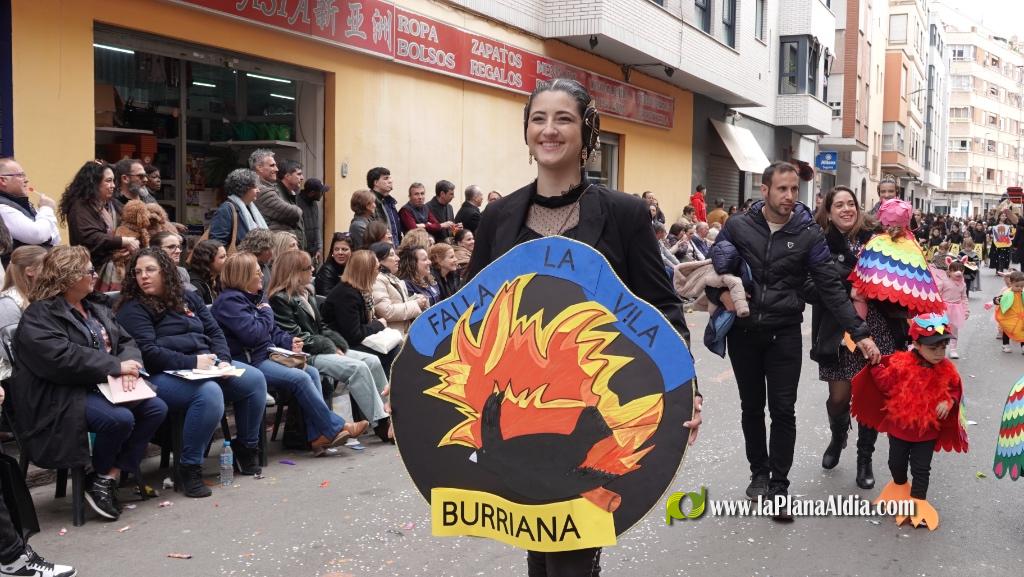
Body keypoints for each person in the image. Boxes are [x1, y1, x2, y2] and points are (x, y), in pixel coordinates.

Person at [466, 78, 701, 576]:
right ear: (526, 130)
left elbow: (662, 309)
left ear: (587, 131)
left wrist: (687, 391)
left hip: (595, 409)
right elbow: (472, 314)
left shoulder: (625, 214)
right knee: (537, 544)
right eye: (538, 119)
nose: (549, 130)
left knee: (572, 557)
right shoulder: (499, 217)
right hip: (514, 410)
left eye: (564, 119)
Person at [710, 162, 879, 519]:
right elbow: (716, 268)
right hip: (744, 334)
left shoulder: (807, 234)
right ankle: (759, 473)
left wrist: (860, 334)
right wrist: (719, 297)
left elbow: (832, 289)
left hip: (784, 332)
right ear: (765, 190)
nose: (789, 197)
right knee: (752, 407)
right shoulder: (739, 226)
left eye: (794, 190)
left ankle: (779, 487)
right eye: (782, 189)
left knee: (783, 410)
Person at [10, 246, 168, 520]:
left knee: (156, 408)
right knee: (118, 420)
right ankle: (101, 477)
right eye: (89, 271)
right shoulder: (39, 315)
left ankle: (107, 476)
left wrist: (130, 368)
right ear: (69, 277)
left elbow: (126, 341)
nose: (95, 275)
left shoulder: (95, 306)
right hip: (58, 394)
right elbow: (61, 359)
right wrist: (115, 366)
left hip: (98, 385)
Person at [115, 248, 267, 495]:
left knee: (254, 380)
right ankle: (189, 467)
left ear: (166, 272)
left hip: (205, 365)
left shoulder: (188, 297)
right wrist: (193, 363)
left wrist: (224, 361)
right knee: (208, 393)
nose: (143, 276)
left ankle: (246, 447)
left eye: (150, 270)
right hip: (159, 375)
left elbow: (215, 332)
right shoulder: (133, 308)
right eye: (138, 272)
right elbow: (149, 354)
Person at [212, 252, 368, 452]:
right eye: (257, 273)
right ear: (243, 276)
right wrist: (266, 311)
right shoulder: (230, 302)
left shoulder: (254, 298)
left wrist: (288, 341)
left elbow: (272, 331)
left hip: (265, 355)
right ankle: (333, 427)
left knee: (310, 372)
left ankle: (318, 436)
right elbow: (254, 335)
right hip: (247, 361)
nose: (262, 276)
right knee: (299, 378)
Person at [851, 313, 967, 529]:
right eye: (933, 348)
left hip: (927, 432)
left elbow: (954, 389)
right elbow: (885, 385)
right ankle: (899, 488)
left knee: (922, 469)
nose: (939, 353)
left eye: (943, 348)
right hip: (900, 428)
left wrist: (949, 402)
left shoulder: (947, 369)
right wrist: (875, 366)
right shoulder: (901, 365)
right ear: (916, 344)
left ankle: (918, 503)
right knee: (896, 464)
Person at [807, 187, 885, 488]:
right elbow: (808, 289)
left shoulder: (877, 238)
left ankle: (864, 458)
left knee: (869, 396)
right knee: (838, 398)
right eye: (838, 204)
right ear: (828, 210)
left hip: (876, 328)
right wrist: (843, 287)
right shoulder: (817, 242)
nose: (846, 209)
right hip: (834, 329)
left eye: (851, 203)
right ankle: (838, 436)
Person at [267, 250, 388, 442]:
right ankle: (382, 423)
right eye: (308, 268)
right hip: (305, 354)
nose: (313, 270)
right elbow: (295, 336)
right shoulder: (280, 299)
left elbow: (320, 326)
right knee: (357, 367)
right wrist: (329, 346)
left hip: (322, 347)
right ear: (296, 272)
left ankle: (389, 414)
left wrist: (334, 344)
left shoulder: (307, 293)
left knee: (372, 361)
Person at [59, 161, 136, 291]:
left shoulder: (112, 204)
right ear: (94, 183)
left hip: (117, 266)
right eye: (108, 181)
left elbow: (132, 220)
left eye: (113, 181)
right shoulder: (79, 207)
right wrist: (123, 241)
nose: (113, 186)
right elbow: (89, 237)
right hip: (93, 268)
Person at [322, 250, 399, 375]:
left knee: (394, 348)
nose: (378, 272)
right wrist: (378, 325)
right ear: (366, 272)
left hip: (350, 340)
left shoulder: (360, 291)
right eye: (377, 268)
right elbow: (354, 335)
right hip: (340, 344)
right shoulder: (347, 295)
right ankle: (379, 392)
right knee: (388, 353)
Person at [0, 158, 61, 262]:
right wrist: (46, 208)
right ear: (3, 180)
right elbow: (37, 234)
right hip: (21, 274)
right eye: (20, 175)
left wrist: (47, 232)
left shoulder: (21, 204)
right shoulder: (2, 207)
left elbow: (56, 238)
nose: (26, 179)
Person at [0, 246, 46, 380]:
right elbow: (12, 353)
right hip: (13, 379)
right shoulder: (8, 303)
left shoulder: (37, 297)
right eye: (46, 267)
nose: (52, 272)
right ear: (30, 271)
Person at [369, 242, 426, 334]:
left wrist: (416, 299)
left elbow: (398, 302)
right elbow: (386, 312)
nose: (397, 259)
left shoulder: (392, 277)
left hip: (401, 333)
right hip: (391, 337)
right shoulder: (377, 280)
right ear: (379, 260)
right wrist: (416, 304)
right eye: (392, 255)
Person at [209, 168, 268, 248]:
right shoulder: (226, 210)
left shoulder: (251, 208)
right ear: (244, 188)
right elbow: (217, 242)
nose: (258, 190)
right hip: (237, 258)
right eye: (254, 187)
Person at [256, 158, 304, 247]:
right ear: (287, 176)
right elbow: (295, 213)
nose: (302, 178)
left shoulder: (291, 193)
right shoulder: (274, 192)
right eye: (299, 174)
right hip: (281, 249)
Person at [931, 260, 968, 359]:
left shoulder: (963, 284)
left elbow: (964, 298)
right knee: (940, 329)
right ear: (949, 272)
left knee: (954, 330)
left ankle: (953, 349)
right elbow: (937, 294)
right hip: (944, 309)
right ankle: (938, 348)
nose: (958, 272)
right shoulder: (944, 282)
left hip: (956, 309)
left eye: (961, 270)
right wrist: (935, 307)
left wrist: (966, 310)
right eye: (955, 270)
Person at [367, 167, 402, 245]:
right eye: (386, 178)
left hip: (394, 248)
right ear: (375, 182)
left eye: (390, 178)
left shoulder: (390, 201)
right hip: (381, 248)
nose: (390, 181)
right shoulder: (371, 202)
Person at [187, 239, 226, 305]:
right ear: (207, 260)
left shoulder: (218, 279)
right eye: (222, 257)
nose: (227, 260)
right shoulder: (195, 284)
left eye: (226, 255)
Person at [237, 229, 275, 294]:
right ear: (261, 248)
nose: (272, 253)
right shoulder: (243, 266)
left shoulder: (265, 265)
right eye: (270, 249)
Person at [299, 178, 328, 263]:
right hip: (302, 252)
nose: (323, 194)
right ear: (312, 193)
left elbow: (316, 226)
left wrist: (319, 248)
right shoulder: (296, 203)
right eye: (321, 192)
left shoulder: (314, 204)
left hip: (313, 252)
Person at [315, 233, 352, 297]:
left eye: (344, 249)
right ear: (332, 252)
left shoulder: (354, 268)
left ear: (352, 252)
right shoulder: (326, 271)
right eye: (336, 249)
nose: (340, 253)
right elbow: (326, 299)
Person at [996, 270, 1024, 353]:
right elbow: (1000, 299)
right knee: (1007, 329)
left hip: (1020, 315)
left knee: (1022, 329)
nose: (1019, 288)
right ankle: (1005, 344)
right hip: (1009, 315)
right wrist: (995, 301)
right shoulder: (1007, 293)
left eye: (1022, 286)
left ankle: (1023, 345)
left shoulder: (1022, 293)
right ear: (1011, 283)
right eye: (1017, 286)